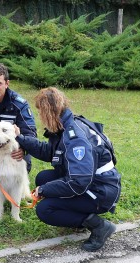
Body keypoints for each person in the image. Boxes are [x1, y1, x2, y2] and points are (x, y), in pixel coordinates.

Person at [15, 87, 122, 252]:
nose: (40, 117)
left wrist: (43, 190)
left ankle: (100, 227)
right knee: (44, 177)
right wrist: (19, 139)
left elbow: (79, 182)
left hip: (100, 192)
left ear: (48, 112)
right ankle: (76, 219)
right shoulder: (65, 124)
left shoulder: (75, 138)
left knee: (45, 209)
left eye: (40, 112)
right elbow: (50, 152)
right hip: (93, 184)